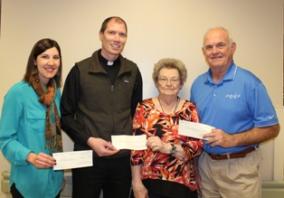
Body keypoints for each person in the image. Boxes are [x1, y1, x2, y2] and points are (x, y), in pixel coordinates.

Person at [190, 27, 280, 198]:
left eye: (220, 45)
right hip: (206, 167)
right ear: (203, 52)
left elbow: (272, 128)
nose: (214, 51)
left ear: (233, 48)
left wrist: (232, 139)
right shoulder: (198, 84)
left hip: (240, 168)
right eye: (209, 47)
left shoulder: (250, 83)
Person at [60, 16, 143, 198]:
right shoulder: (80, 70)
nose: (117, 38)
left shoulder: (133, 71)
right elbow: (65, 116)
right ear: (101, 35)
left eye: (122, 34)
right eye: (112, 32)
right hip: (87, 158)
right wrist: (89, 140)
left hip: (121, 161)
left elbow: (137, 114)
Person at [0, 38, 64, 198]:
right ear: (34, 61)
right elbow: (5, 140)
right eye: (45, 56)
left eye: (56, 57)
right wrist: (30, 156)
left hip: (54, 183)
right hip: (27, 184)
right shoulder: (18, 93)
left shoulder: (56, 93)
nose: (51, 62)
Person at [131, 58, 203, 198]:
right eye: (163, 79)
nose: (169, 84)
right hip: (149, 182)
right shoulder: (144, 108)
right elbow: (136, 150)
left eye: (174, 79)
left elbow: (197, 146)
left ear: (181, 83)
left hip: (182, 183)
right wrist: (136, 183)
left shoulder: (189, 109)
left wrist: (167, 147)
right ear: (157, 82)